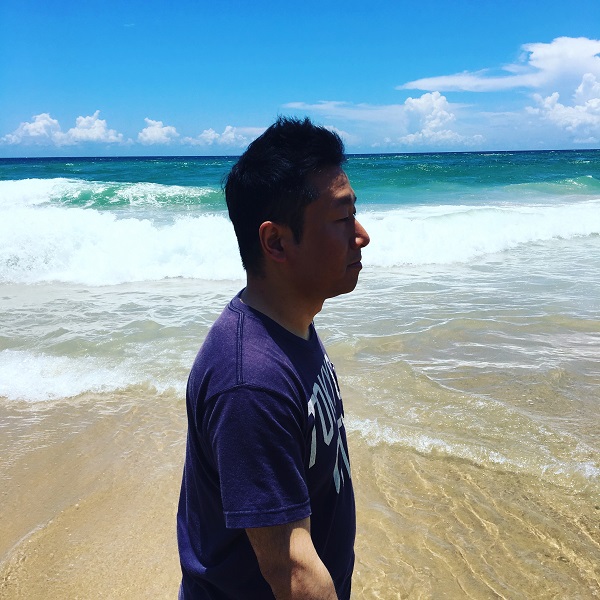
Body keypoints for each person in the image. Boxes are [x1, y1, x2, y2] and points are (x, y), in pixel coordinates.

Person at [177, 116, 370, 600]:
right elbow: (294, 574)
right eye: (342, 218)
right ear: (277, 242)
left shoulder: (291, 324)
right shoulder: (250, 381)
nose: (361, 234)